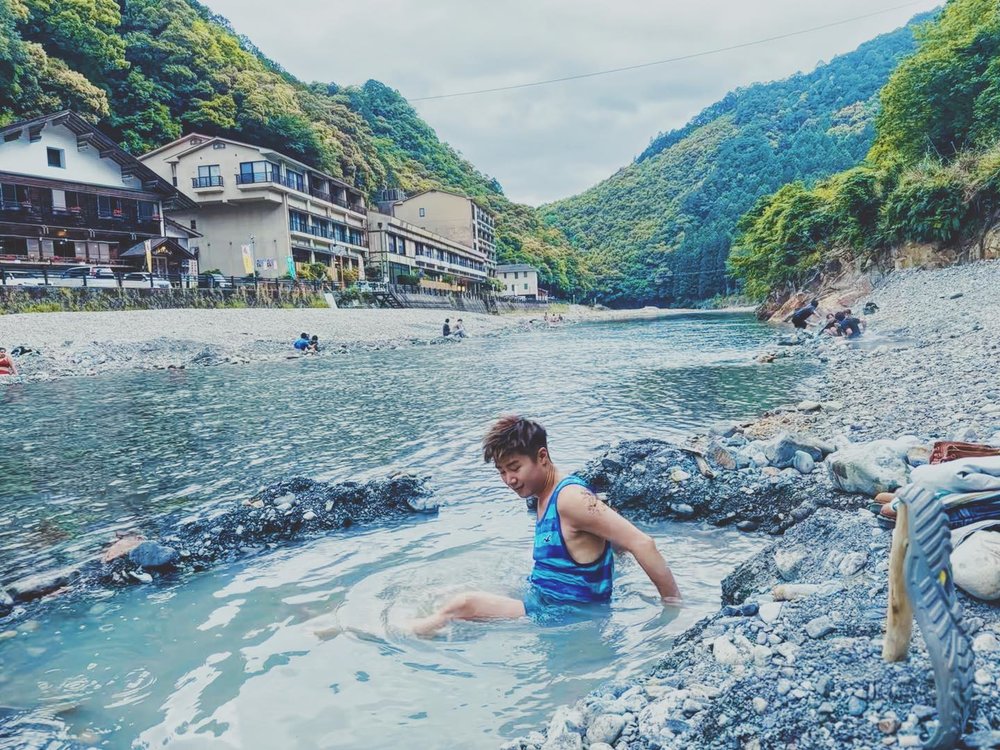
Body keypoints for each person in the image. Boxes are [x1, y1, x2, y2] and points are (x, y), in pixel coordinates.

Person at [411, 416, 681, 635]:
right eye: (502, 472)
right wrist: (612, 558)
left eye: (514, 467)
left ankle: (397, 637)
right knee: (451, 592)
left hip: (564, 614)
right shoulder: (544, 497)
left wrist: (673, 608)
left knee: (462, 605)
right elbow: (614, 535)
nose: (509, 479)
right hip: (546, 600)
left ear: (542, 457)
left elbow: (642, 542)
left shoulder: (570, 498)